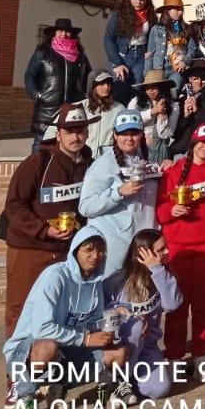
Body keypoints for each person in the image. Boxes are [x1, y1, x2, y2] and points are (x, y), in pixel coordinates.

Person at [2, 101, 94, 395]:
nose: (76, 136)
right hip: (30, 248)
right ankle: (16, 379)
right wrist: (43, 230)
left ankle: (49, 373)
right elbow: (14, 205)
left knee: (59, 313)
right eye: (69, 131)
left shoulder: (89, 165)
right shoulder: (37, 163)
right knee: (21, 313)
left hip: (66, 253)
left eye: (80, 130)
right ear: (58, 133)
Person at [2, 228, 124, 409]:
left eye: (101, 250)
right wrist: (85, 339)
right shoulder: (54, 276)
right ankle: (25, 396)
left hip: (69, 348)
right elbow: (41, 329)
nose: (95, 256)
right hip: (28, 350)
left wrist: (115, 322)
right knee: (47, 346)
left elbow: (92, 323)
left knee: (117, 353)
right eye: (88, 250)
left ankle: (58, 386)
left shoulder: (95, 281)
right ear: (75, 251)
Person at [158, 123, 205, 364]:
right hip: (178, 247)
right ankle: (174, 355)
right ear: (193, 142)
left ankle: (201, 354)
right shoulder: (174, 171)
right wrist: (171, 210)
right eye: (202, 142)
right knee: (177, 306)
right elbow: (159, 210)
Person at [104, 229, 184, 402]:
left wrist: (156, 269)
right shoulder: (117, 281)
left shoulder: (164, 275)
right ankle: (118, 382)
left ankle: (130, 381)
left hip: (147, 347)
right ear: (144, 253)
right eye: (161, 249)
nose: (167, 251)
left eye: (166, 247)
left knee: (159, 389)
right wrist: (121, 313)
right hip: (121, 347)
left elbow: (172, 304)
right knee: (136, 326)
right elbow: (102, 314)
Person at [79, 110, 160, 277]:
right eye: (124, 133)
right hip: (114, 249)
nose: (129, 138)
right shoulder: (103, 164)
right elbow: (85, 207)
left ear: (142, 134)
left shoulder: (147, 161)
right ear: (115, 135)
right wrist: (119, 192)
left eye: (134, 133)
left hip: (144, 247)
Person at [23, 19, 92, 149]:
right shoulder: (42, 53)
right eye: (60, 31)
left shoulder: (81, 57)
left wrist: (85, 97)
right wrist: (37, 95)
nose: (63, 34)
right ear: (54, 33)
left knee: (69, 146)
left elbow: (88, 79)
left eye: (67, 31)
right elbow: (29, 76)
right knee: (41, 145)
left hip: (72, 110)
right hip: (47, 110)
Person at [103, 0, 156, 106]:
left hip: (141, 56)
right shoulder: (118, 15)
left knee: (136, 91)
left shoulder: (151, 16)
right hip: (122, 54)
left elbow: (154, 37)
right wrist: (117, 63)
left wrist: (151, 51)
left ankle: (134, 116)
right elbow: (108, 39)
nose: (139, 2)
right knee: (119, 88)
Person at [147, 0, 191, 90]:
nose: (180, 12)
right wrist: (147, 73)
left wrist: (185, 62)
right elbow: (150, 53)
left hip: (177, 68)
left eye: (181, 9)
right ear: (167, 11)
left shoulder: (186, 29)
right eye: (177, 9)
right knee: (160, 92)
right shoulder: (156, 29)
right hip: (158, 68)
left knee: (174, 90)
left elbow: (192, 49)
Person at [135, 70, 178, 163]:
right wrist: (152, 111)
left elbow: (166, 134)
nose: (150, 90)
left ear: (162, 87)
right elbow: (131, 120)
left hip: (161, 153)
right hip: (139, 151)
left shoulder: (173, 106)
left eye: (154, 87)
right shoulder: (135, 102)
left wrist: (162, 115)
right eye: (147, 87)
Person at [84, 71, 121, 152]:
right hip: (84, 157)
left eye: (109, 84)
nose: (106, 87)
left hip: (108, 156)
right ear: (92, 86)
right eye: (101, 84)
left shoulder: (119, 109)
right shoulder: (80, 107)